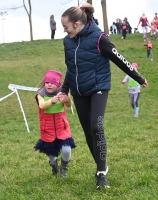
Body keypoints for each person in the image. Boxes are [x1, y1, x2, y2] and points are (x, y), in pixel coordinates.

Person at [59, 3, 148, 189]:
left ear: (76, 24)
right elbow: (70, 68)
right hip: (78, 90)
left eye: (66, 27)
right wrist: (64, 90)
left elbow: (119, 59)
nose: (65, 31)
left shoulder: (100, 38)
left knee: (96, 126)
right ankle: (102, 166)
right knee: (88, 133)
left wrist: (138, 77)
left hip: (99, 87)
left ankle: (101, 174)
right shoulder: (68, 41)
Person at [34, 70, 76, 177]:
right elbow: (42, 106)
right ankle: (54, 166)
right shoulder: (40, 94)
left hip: (62, 128)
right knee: (52, 154)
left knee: (66, 149)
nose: (49, 85)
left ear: (58, 84)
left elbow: (68, 105)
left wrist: (66, 99)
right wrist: (51, 101)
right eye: (47, 82)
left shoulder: (62, 92)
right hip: (47, 130)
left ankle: (64, 168)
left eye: (52, 83)